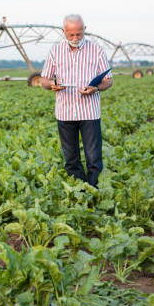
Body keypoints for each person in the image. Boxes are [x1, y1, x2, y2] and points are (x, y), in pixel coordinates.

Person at [40, 14, 113, 187]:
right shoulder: (55, 51)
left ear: (84, 30)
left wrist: (95, 88)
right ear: (63, 31)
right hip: (65, 112)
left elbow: (108, 80)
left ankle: (95, 190)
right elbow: (44, 80)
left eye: (79, 34)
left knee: (93, 156)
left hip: (89, 112)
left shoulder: (96, 50)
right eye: (71, 35)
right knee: (71, 157)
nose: (75, 38)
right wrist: (52, 84)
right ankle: (79, 191)